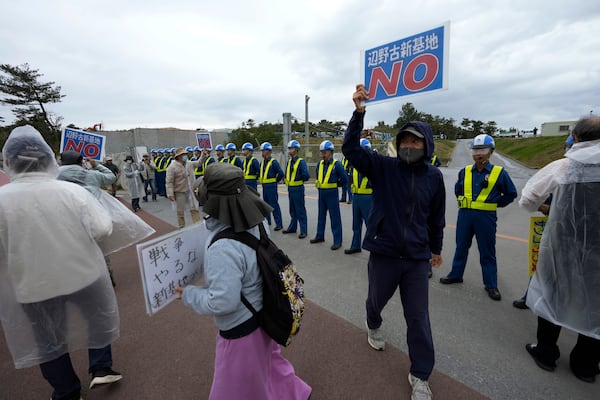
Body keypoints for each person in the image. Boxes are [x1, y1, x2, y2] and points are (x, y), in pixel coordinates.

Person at [0, 126, 122, 400]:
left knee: (48, 339)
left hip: (32, 284)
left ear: (8, 162)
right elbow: (102, 228)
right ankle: (101, 368)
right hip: (83, 274)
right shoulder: (70, 192)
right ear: (48, 159)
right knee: (97, 319)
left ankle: (67, 391)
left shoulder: (2, 199)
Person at [175, 163, 312, 400]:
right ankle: (293, 393)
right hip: (263, 314)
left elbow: (222, 302)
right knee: (268, 363)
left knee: (235, 388)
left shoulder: (222, 247)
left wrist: (189, 294)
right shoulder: (258, 223)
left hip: (241, 330)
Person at [343, 84, 445, 400]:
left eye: (416, 140)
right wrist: (359, 113)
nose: (409, 145)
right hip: (385, 251)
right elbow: (351, 150)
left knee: (418, 317)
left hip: (415, 257)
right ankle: (372, 323)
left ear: (426, 145)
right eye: (405, 140)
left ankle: (420, 375)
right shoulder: (384, 168)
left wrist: (436, 248)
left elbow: (436, 216)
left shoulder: (433, 177)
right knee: (376, 301)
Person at [520, 117, 600, 382]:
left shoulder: (565, 166)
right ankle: (585, 366)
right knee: (595, 305)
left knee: (552, 294)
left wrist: (550, 208)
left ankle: (546, 352)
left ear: (576, 137)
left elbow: (529, 200)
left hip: (563, 246)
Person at [440, 133, 517, 301]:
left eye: (483, 150)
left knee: (487, 251)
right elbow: (457, 190)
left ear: (491, 152)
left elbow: (511, 193)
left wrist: (496, 203)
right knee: (461, 246)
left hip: (486, 217)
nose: (479, 153)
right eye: (475, 150)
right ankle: (456, 274)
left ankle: (491, 284)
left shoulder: (499, 173)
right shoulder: (465, 172)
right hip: (465, 216)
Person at [58, 151, 119, 287]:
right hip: (94, 218)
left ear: (62, 162)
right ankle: (107, 275)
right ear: (81, 162)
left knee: (75, 249)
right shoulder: (91, 175)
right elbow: (111, 177)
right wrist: (96, 165)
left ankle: (83, 279)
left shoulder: (55, 176)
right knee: (101, 248)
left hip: (69, 220)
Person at [310, 140, 347, 250]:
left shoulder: (337, 165)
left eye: (324, 152)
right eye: (321, 152)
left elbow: (344, 179)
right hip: (322, 194)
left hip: (332, 194)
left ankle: (337, 240)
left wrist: (336, 185)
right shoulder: (320, 164)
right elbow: (317, 175)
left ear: (330, 152)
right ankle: (320, 235)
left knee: (334, 218)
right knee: (321, 216)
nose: (322, 155)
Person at [344, 138, 373, 254]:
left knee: (370, 224)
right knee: (356, 224)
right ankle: (355, 245)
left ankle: (374, 249)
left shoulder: (371, 163)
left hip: (367, 197)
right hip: (356, 196)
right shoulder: (355, 163)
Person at [166, 147, 201, 229]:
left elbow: (199, 163)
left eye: (186, 154)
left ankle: (198, 225)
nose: (186, 156)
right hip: (180, 191)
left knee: (194, 208)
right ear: (178, 156)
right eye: (183, 155)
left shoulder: (189, 164)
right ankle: (182, 227)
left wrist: (203, 155)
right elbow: (169, 182)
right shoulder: (172, 167)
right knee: (180, 211)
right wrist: (170, 193)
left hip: (191, 190)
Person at [282, 140, 310, 239]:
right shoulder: (289, 162)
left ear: (296, 150)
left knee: (300, 209)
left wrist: (298, 179)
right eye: (289, 148)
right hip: (291, 188)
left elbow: (306, 175)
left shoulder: (300, 162)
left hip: (298, 188)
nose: (289, 150)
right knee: (292, 209)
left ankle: (304, 230)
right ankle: (292, 227)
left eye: (291, 148)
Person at [259, 142, 284, 231]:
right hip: (265, 186)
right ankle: (267, 221)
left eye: (264, 151)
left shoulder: (273, 162)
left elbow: (281, 173)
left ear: (269, 151)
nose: (262, 153)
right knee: (265, 204)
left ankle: (279, 224)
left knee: (274, 205)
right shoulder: (262, 163)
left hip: (271, 186)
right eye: (262, 151)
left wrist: (275, 181)